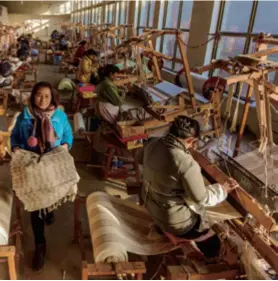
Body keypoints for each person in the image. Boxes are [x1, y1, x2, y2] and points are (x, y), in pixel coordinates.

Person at [138, 115, 239, 258]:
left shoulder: (153, 143)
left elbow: (139, 158)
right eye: (192, 144)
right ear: (191, 140)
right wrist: (223, 190)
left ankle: (167, 231)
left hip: (150, 204)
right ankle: (206, 258)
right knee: (214, 244)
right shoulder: (186, 164)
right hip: (174, 222)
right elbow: (201, 198)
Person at [11, 81, 73, 271]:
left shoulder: (60, 116)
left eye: (47, 96)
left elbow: (68, 134)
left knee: (50, 195)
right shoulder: (24, 116)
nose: (43, 99)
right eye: (39, 95)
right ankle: (40, 244)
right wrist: (15, 147)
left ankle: (49, 209)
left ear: (52, 97)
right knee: (35, 204)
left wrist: (65, 146)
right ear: (33, 96)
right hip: (32, 165)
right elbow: (15, 136)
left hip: (52, 163)